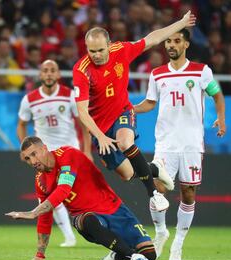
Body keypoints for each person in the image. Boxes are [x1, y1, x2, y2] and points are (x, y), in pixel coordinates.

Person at [72, 11, 197, 212]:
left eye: (100, 50)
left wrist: (181, 23)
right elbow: (82, 112)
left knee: (125, 142)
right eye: (91, 51)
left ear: (109, 45)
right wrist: (100, 137)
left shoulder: (121, 50)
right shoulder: (81, 70)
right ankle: (155, 168)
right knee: (128, 174)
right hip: (99, 128)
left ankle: (154, 195)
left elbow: (153, 38)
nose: (96, 55)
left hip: (122, 111)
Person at [134, 29, 226, 260]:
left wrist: (221, 118)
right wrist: (130, 108)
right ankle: (161, 232)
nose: (171, 45)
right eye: (168, 42)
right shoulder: (157, 74)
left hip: (191, 144)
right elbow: (150, 103)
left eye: (176, 41)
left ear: (185, 44)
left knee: (188, 193)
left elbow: (216, 94)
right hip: (165, 143)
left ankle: (179, 242)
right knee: (157, 189)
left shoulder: (201, 71)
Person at [6, 136, 156, 260]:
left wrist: (33, 213)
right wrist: (40, 254)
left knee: (150, 255)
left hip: (114, 208)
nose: (32, 161)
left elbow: (63, 189)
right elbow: (45, 217)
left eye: (34, 154)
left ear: (44, 148)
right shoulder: (40, 181)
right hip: (86, 217)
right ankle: (131, 255)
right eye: (27, 158)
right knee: (88, 220)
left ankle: (118, 255)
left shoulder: (67, 154)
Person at [17, 60, 91, 248]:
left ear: (58, 74)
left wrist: (87, 150)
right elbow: (21, 125)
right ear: (40, 75)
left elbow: (84, 122)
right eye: (45, 71)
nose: (49, 74)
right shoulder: (30, 99)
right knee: (51, 195)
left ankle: (92, 227)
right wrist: (26, 151)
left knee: (78, 194)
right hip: (45, 156)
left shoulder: (69, 95)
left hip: (69, 152)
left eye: (52, 71)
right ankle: (69, 237)